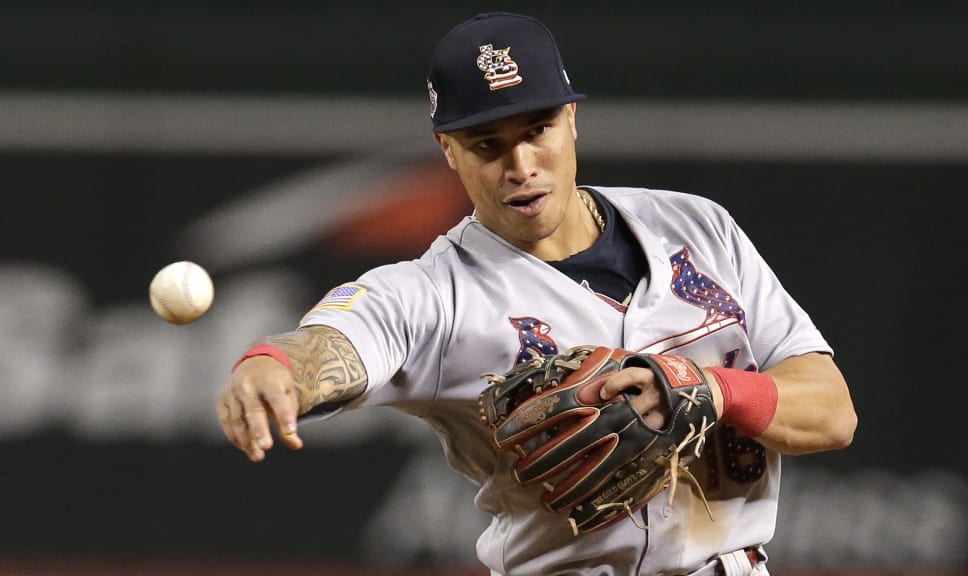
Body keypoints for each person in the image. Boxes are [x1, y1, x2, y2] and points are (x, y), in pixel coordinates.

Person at [217, 11, 857, 576]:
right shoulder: (436, 294)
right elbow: (335, 341)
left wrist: (713, 388)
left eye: (537, 129)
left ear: (572, 119)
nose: (520, 165)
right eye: (486, 144)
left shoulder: (697, 226)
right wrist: (274, 367)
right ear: (449, 151)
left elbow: (832, 413)